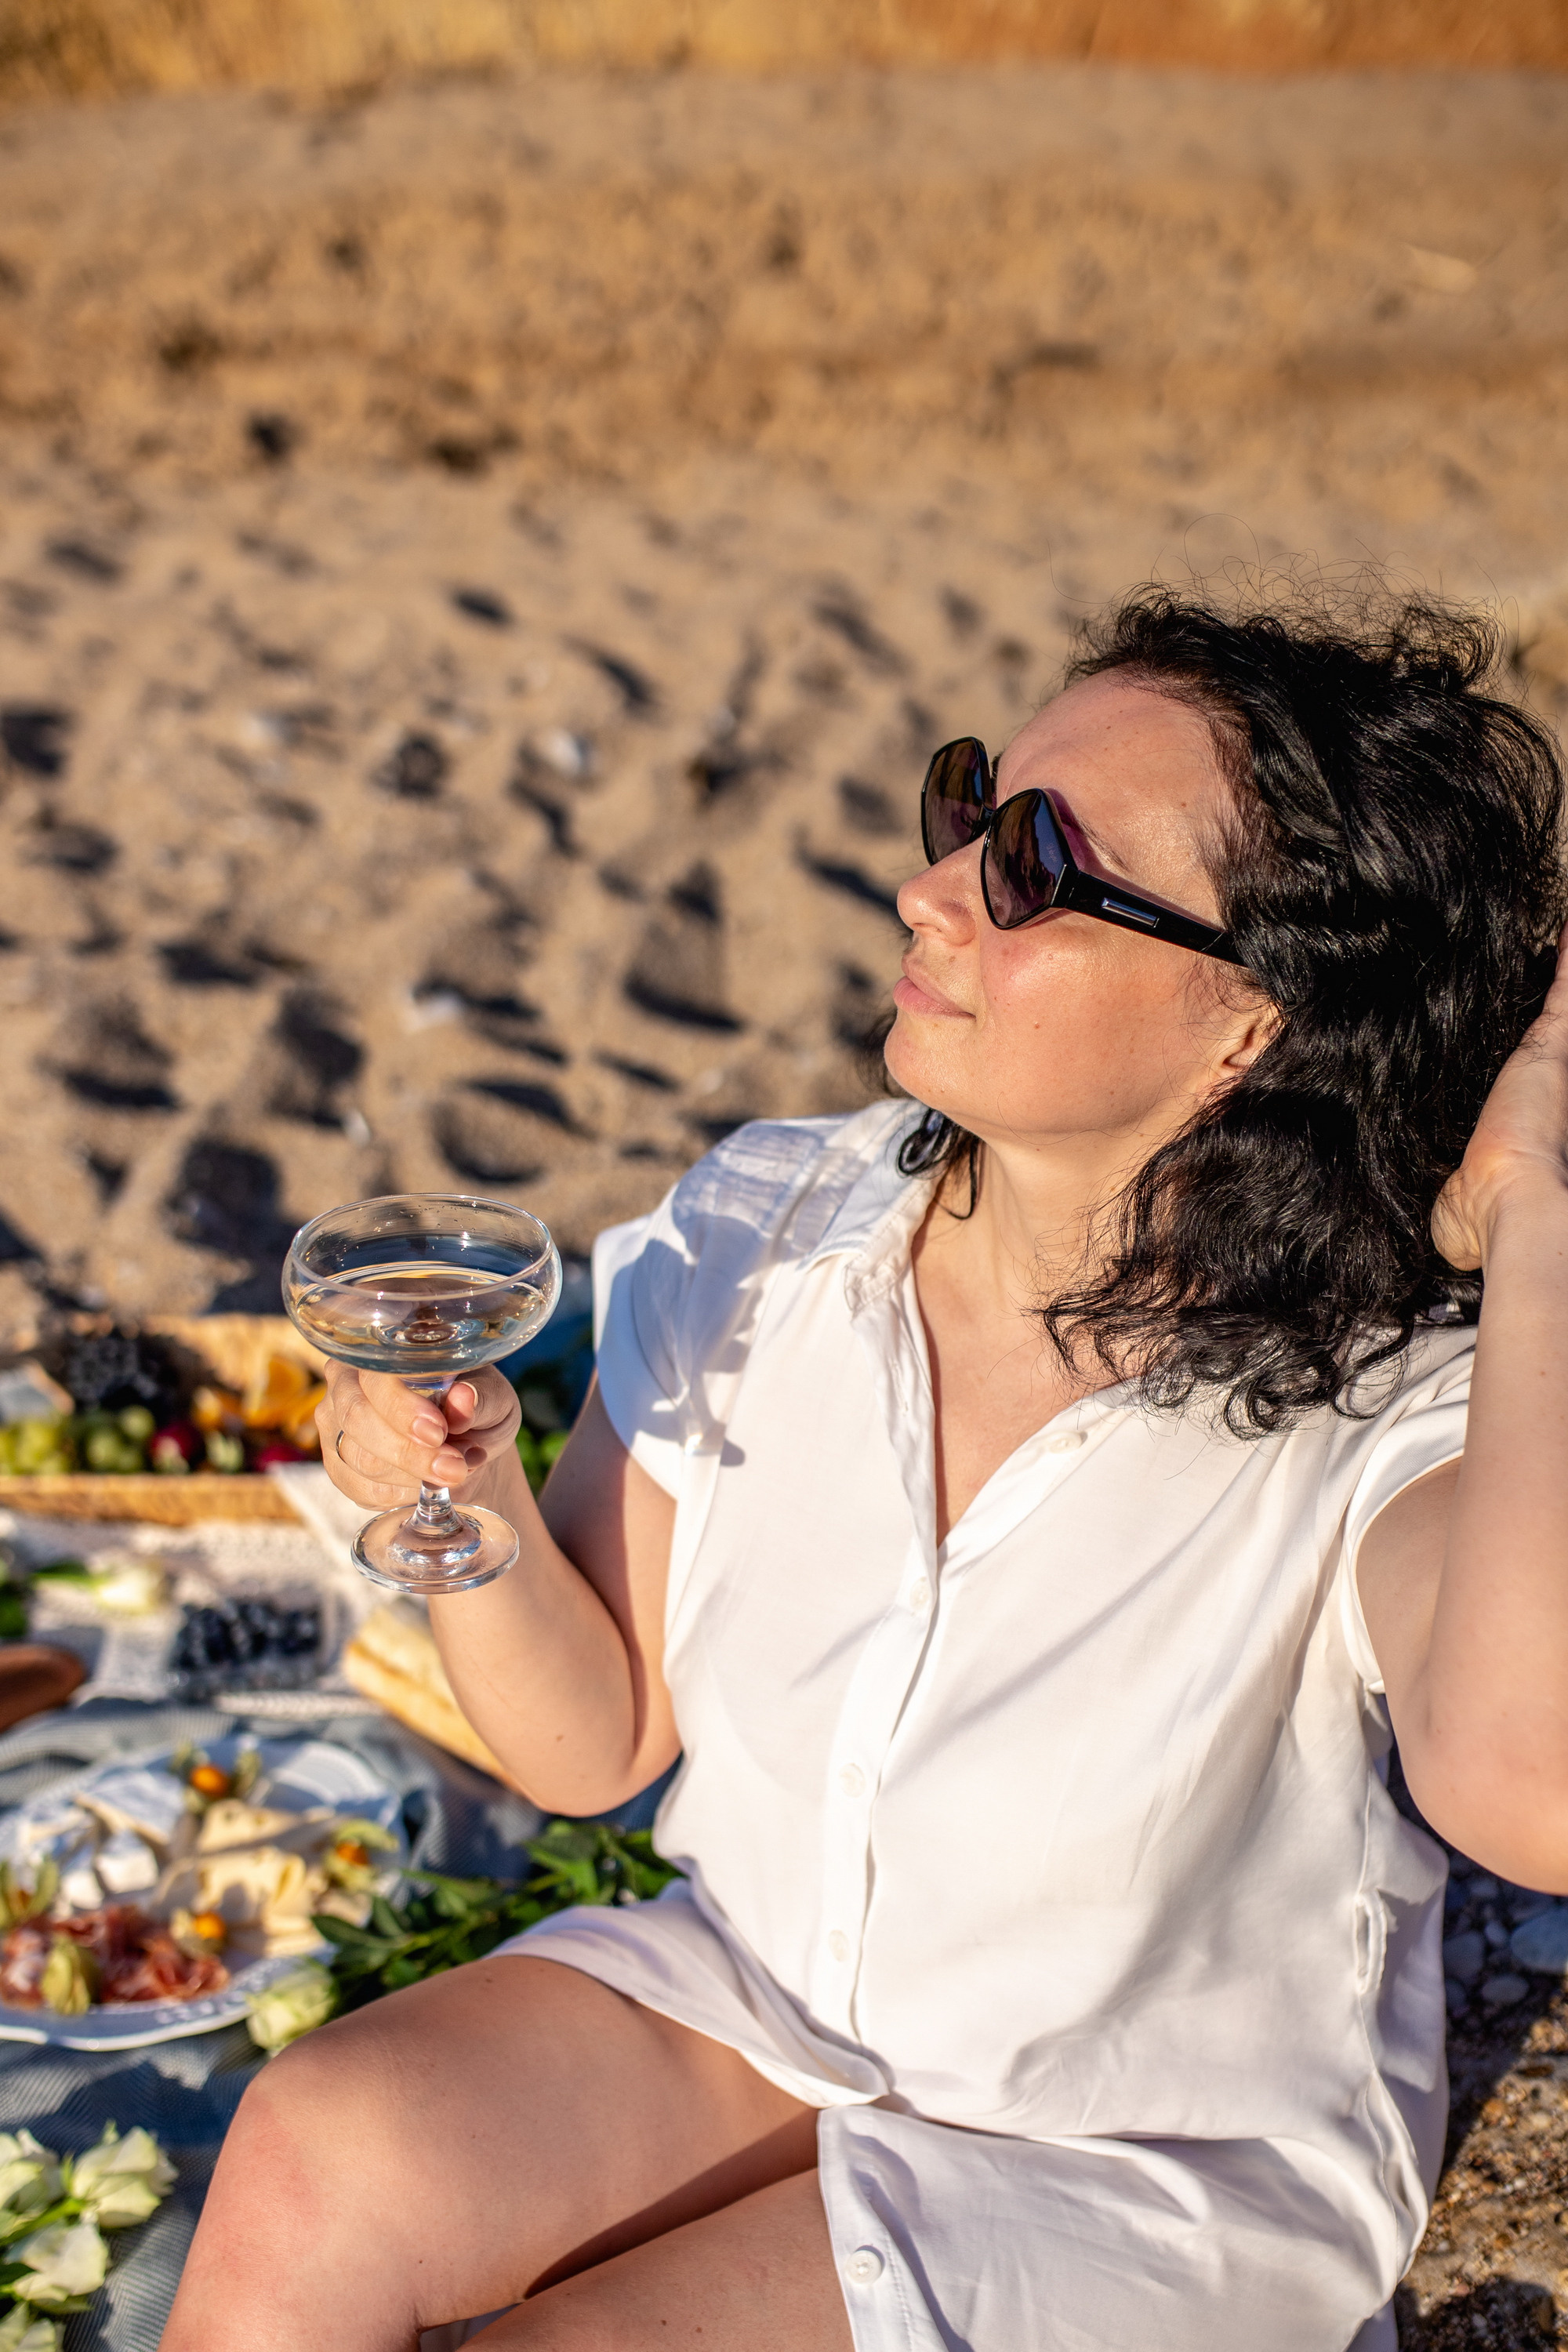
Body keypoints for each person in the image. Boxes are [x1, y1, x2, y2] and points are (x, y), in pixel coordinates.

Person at [163, 584, 1568, 2352]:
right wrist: (470, 1505)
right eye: (971, 806)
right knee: (310, 2153)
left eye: (1038, 862)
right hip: (760, 1999)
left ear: (1251, 1025)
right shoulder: (763, 1226)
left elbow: (1534, 1790)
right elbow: (588, 1739)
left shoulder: (1379, 1398)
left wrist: (1540, 1213)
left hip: (1131, 2149)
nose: (933, 884)